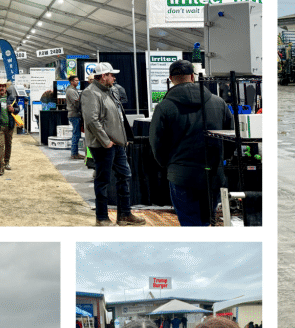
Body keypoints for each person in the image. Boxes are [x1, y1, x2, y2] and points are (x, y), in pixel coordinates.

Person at [148, 60, 232, 226]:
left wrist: (169, 165)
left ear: (171, 78)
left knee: (189, 224)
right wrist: (222, 159)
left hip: (181, 175)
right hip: (213, 173)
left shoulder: (164, 107)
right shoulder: (219, 103)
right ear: (192, 77)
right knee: (207, 221)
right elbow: (229, 137)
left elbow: (156, 142)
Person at [82, 62, 145, 227]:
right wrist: (106, 141)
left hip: (116, 144)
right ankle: (101, 217)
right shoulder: (90, 93)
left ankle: (124, 214)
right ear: (103, 76)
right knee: (103, 181)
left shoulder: (109, 91)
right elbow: (91, 121)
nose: (114, 77)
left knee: (125, 176)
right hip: (104, 146)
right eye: (111, 75)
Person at [66, 75, 84, 159]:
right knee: (76, 134)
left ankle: (75, 153)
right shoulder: (70, 90)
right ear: (71, 81)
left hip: (75, 114)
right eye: (76, 80)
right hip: (74, 114)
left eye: (78, 80)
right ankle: (74, 154)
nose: (77, 82)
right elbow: (76, 103)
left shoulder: (73, 90)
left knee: (76, 134)